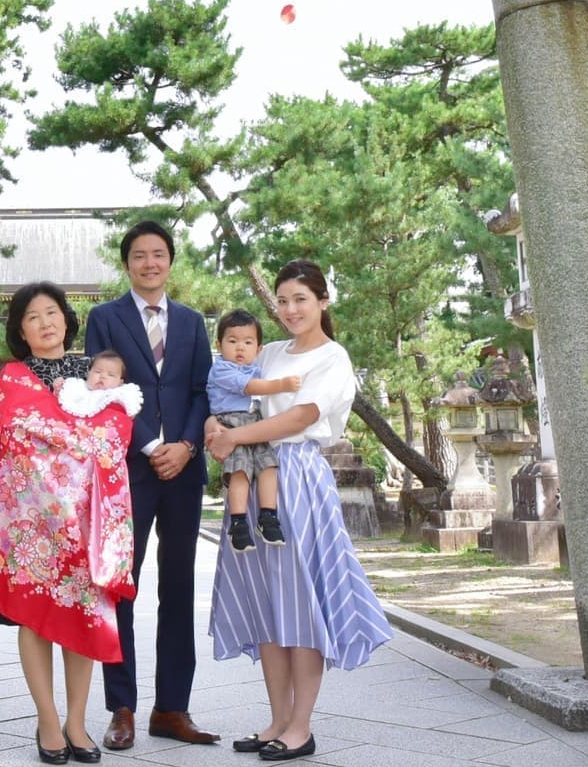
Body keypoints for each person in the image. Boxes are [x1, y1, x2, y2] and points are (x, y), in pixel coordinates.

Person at [206, 261, 393, 764]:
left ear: (322, 302)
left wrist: (233, 437)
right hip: (249, 477)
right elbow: (225, 394)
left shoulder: (332, 358)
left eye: (301, 300)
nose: (290, 310)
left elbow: (301, 416)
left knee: (299, 596)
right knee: (267, 600)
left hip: (298, 477)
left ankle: (301, 726)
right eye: (283, 301)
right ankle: (277, 718)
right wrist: (214, 428)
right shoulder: (264, 352)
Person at [0, 283, 137, 766]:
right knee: (36, 619)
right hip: (34, 523)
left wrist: (74, 438)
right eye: (32, 316)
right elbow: (20, 432)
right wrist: (79, 437)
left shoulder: (97, 373)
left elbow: (118, 428)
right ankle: (47, 719)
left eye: (52, 312)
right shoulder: (14, 377)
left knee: (84, 614)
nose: (45, 322)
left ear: (66, 318)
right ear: (20, 330)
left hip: (86, 520)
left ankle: (77, 721)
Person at [84, 220, 218, 751]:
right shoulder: (105, 317)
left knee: (178, 589)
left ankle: (172, 708)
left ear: (170, 261)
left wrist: (186, 445)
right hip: (129, 471)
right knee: (121, 588)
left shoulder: (190, 322)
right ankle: (123, 708)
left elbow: (203, 390)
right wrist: (147, 446)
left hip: (183, 471)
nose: (149, 263)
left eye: (158, 254)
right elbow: (101, 389)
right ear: (127, 264)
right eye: (138, 255)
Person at [208, 309, 298, 552]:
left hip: (256, 425)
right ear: (219, 344)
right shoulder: (222, 369)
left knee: (268, 466)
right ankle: (238, 522)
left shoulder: (256, 368)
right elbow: (248, 388)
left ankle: (268, 515)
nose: (240, 348)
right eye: (232, 341)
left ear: (258, 349)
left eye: (248, 342)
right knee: (240, 472)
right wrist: (281, 385)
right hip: (231, 424)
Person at [58, 350, 144, 420]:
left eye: (110, 375)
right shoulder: (79, 387)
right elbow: (62, 402)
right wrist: (59, 387)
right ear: (88, 374)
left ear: (120, 382)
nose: (102, 376)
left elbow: (130, 413)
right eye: (97, 372)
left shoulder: (119, 393)